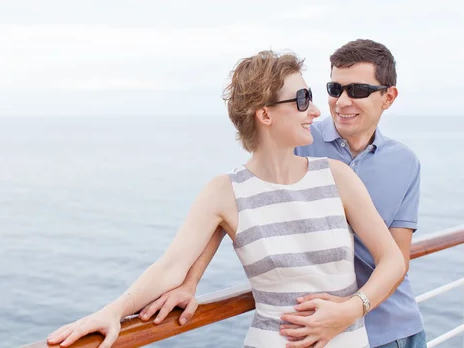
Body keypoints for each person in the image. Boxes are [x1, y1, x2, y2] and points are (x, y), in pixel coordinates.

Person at [46, 50, 405, 348]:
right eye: (301, 99)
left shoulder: (336, 175)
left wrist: (352, 310)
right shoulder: (225, 191)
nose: (314, 111)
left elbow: (392, 259)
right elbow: (170, 267)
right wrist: (112, 311)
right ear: (265, 114)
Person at [141, 40, 426, 348]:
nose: (342, 101)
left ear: (389, 97)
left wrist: (349, 310)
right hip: (308, 324)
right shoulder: (297, 139)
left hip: (390, 325)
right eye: (334, 89)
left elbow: (398, 257)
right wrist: (190, 281)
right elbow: (234, 209)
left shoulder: (405, 162)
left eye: (357, 90)